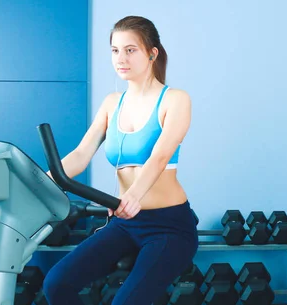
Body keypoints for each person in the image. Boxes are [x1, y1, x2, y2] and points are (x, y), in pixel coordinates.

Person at [38, 16, 199, 305]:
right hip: (124, 222)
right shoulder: (112, 103)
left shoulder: (175, 99)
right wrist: (32, 185)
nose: (120, 58)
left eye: (130, 50)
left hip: (169, 226)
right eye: (115, 50)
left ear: (152, 53)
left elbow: (160, 156)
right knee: (57, 283)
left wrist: (133, 196)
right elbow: (79, 156)